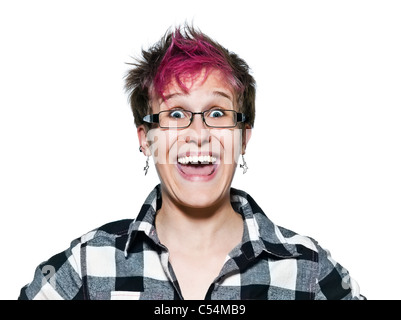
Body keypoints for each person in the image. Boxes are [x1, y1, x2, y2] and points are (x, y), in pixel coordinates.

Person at [18, 24, 366, 300]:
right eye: (176, 113)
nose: (198, 133)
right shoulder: (88, 266)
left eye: (217, 113)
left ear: (243, 137)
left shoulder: (308, 270)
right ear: (146, 139)